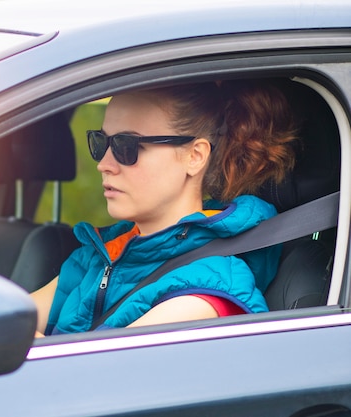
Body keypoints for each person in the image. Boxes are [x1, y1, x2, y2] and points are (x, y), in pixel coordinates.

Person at [31, 80, 297, 336]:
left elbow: (88, 374)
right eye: (102, 143)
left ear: (195, 157)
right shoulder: (99, 256)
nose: (105, 164)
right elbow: (5, 318)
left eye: (127, 147)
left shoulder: (204, 293)